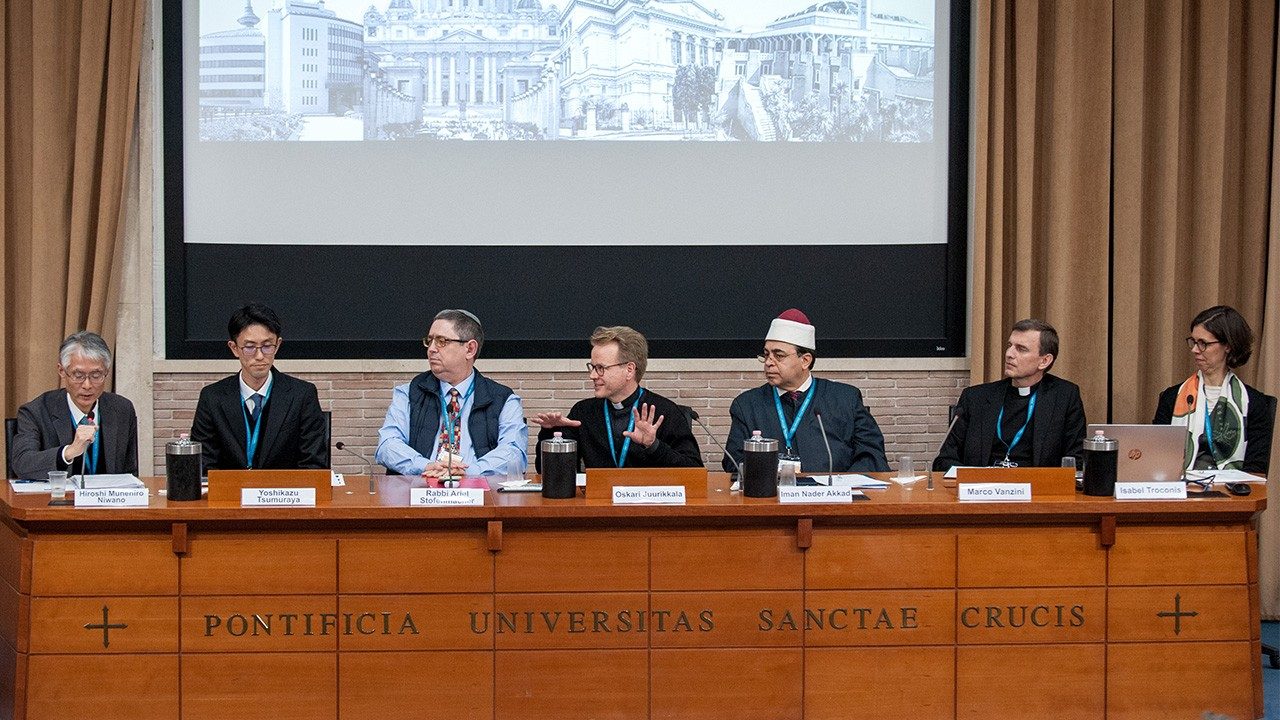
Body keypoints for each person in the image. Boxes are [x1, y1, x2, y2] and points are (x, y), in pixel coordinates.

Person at [723, 309, 888, 473]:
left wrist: (843, 483)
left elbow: (872, 455)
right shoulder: (747, 405)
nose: (768, 362)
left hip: (835, 489)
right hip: (772, 489)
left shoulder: (846, 399)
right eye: (766, 355)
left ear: (805, 360)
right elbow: (734, 462)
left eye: (778, 356)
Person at [375, 309, 527, 478]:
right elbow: (387, 445)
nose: (431, 349)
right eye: (430, 341)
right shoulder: (409, 393)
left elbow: (514, 453)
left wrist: (468, 472)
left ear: (470, 349)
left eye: (441, 341)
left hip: (479, 490)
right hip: (421, 487)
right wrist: (426, 466)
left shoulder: (503, 400)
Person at [533, 326, 703, 470]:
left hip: (648, 500)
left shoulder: (664, 412)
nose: (593, 375)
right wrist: (551, 433)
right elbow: (549, 472)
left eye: (601, 368)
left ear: (629, 370)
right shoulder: (583, 412)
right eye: (592, 367)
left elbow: (694, 471)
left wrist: (654, 445)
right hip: (598, 499)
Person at [933, 319, 1086, 471]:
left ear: (1044, 361)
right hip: (983, 484)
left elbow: (1076, 461)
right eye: (1009, 346)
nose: (1009, 354)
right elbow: (944, 460)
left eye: (1021, 349)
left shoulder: (1064, 397)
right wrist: (975, 477)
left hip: (1037, 485)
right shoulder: (975, 398)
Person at [191, 303, 328, 470]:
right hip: (230, 487)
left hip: (284, 487)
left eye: (267, 346)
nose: (259, 356)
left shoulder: (302, 395)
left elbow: (313, 465)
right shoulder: (212, 397)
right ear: (234, 348)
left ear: (278, 345)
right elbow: (203, 465)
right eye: (249, 347)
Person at [1153, 305, 1272, 473]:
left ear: (1228, 346)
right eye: (1194, 342)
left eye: (1203, 343)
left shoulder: (1254, 403)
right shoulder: (1171, 397)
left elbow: (1256, 468)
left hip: (1232, 489)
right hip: (1180, 487)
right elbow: (1156, 456)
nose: (1195, 350)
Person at [11, 331, 139, 478]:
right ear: (62, 371)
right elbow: (22, 464)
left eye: (96, 375)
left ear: (106, 372)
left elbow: (131, 474)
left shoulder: (122, 409)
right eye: (78, 375)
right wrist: (68, 452)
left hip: (109, 493)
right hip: (59, 493)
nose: (87, 385)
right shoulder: (36, 412)